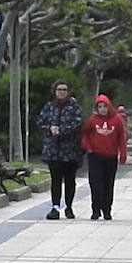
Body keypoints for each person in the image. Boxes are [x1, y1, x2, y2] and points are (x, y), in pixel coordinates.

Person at [36, 80, 85, 219]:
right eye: (59, 89)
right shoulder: (49, 106)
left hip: (70, 150)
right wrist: (50, 129)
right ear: (55, 91)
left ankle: (69, 206)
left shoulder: (74, 107)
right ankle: (55, 207)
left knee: (70, 180)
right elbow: (40, 122)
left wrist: (63, 131)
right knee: (55, 179)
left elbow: (78, 123)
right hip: (53, 150)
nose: (62, 92)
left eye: (64, 89)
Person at [80, 94, 127, 220]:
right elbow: (85, 134)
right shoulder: (92, 120)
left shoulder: (117, 120)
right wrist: (87, 146)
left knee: (108, 184)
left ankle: (107, 209)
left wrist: (123, 153)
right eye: (100, 107)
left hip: (111, 157)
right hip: (95, 156)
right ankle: (96, 209)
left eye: (104, 106)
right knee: (95, 184)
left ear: (109, 106)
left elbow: (121, 138)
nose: (102, 109)